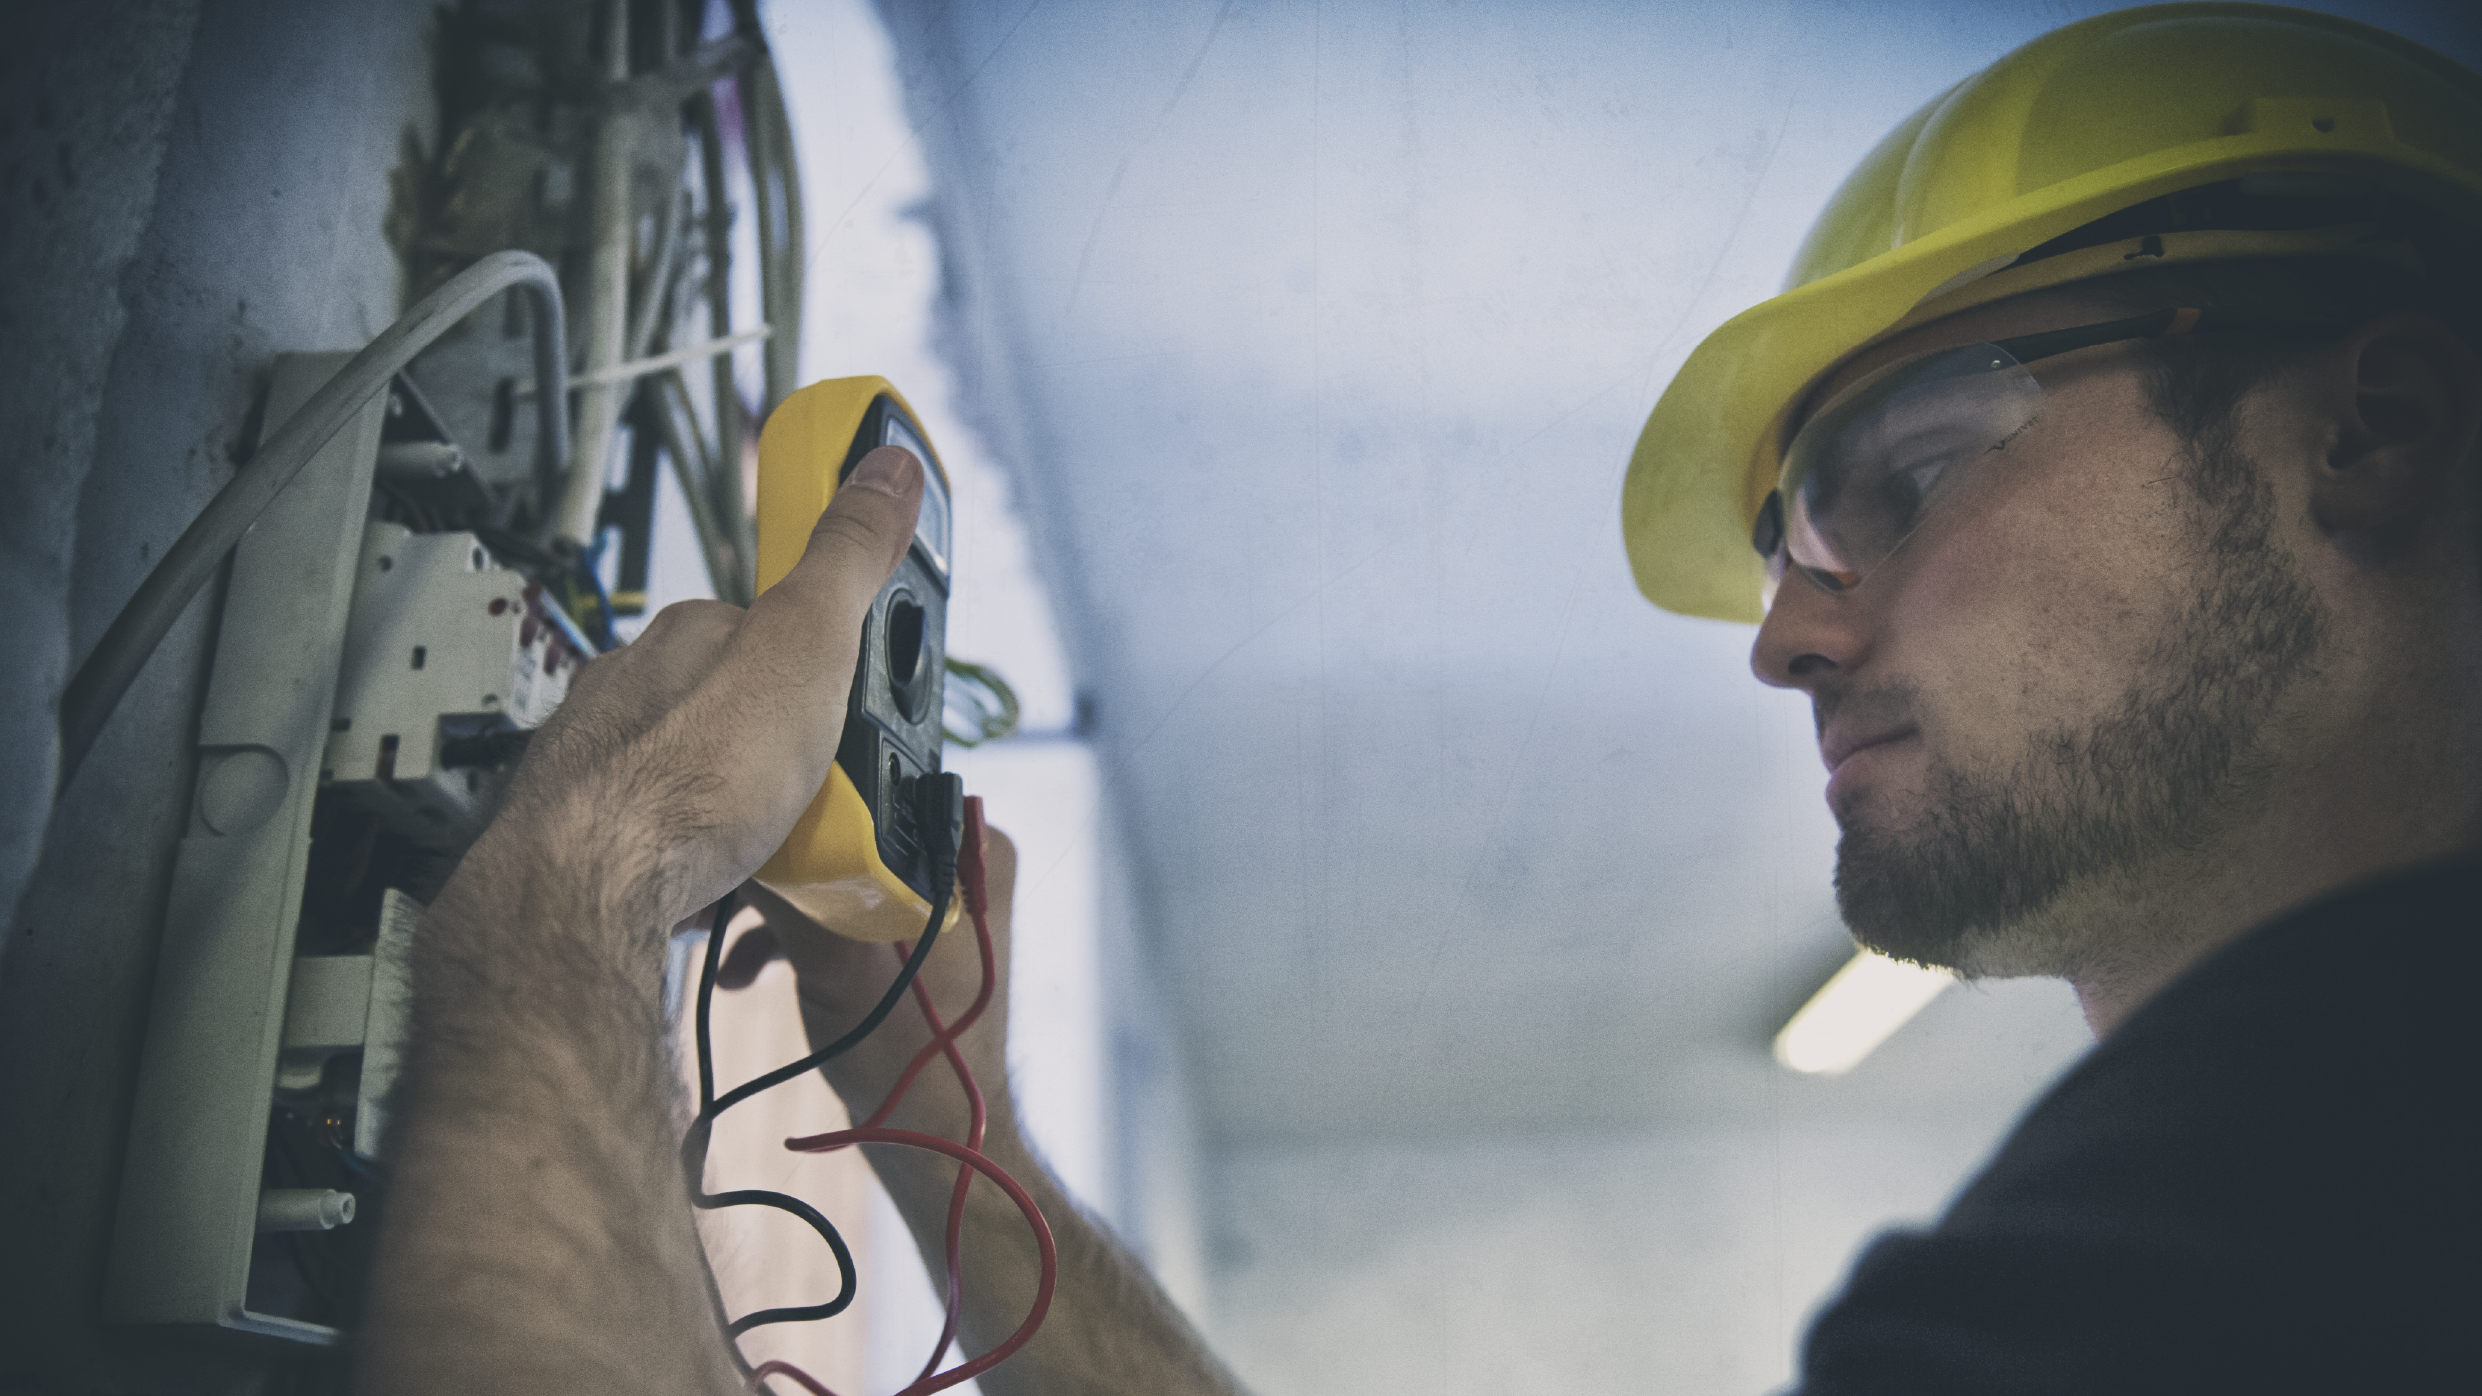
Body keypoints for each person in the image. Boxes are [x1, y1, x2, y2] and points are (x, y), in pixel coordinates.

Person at [358, 5, 2480, 1392]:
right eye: (1786, 547)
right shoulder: (2284, 1221)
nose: (1783, 639)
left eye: (1902, 483)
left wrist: (582, 874)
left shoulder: (2256, 1241)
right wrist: (949, 1130)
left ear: (2367, 425)